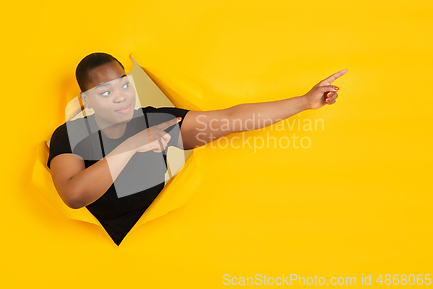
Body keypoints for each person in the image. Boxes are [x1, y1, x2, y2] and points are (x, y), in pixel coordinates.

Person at [47, 52, 347, 245]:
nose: (121, 97)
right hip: (93, 249)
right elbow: (74, 195)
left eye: (125, 85)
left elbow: (230, 119)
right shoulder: (70, 136)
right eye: (106, 92)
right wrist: (132, 145)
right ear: (86, 100)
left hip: (157, 241)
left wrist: (305, 102)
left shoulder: (157, 121)